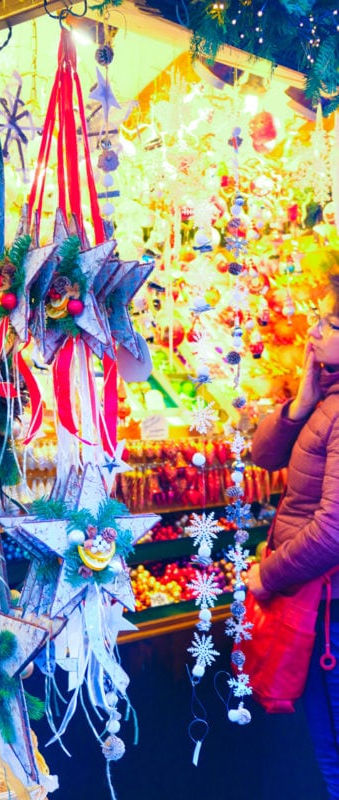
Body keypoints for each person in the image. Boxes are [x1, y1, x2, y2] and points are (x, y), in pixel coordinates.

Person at [249, 267, 339, 799]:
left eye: (329, 323)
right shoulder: (326, 397)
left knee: (331, 748)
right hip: (320, 603)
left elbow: (332, 530)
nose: (313, 332)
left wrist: (268, 575)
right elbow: (263, 455)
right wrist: (302, 399)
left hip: (329, 607)